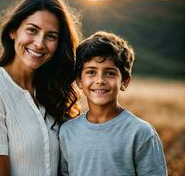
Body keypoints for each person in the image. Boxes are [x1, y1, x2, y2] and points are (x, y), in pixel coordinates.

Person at [0, 0, 80, 176]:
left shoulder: (51, 92)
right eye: (32, 30)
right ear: (13, 31)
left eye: (51, 36)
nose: (39, 43)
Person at [59, 31, 168, 176]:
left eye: (110, 73)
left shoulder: (140, 133)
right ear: (79, 80)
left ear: (124, 81)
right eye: (91, 72)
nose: (100, 80)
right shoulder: (67, 131)